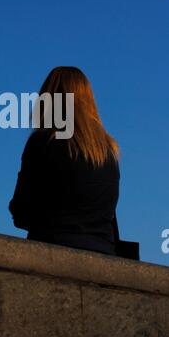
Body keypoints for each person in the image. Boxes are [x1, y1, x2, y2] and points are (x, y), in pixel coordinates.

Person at [9, 66, 120, 256]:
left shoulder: (43, 142)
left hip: (53, 248)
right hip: (103, 252)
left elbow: (21, 212)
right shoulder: (109, 150)